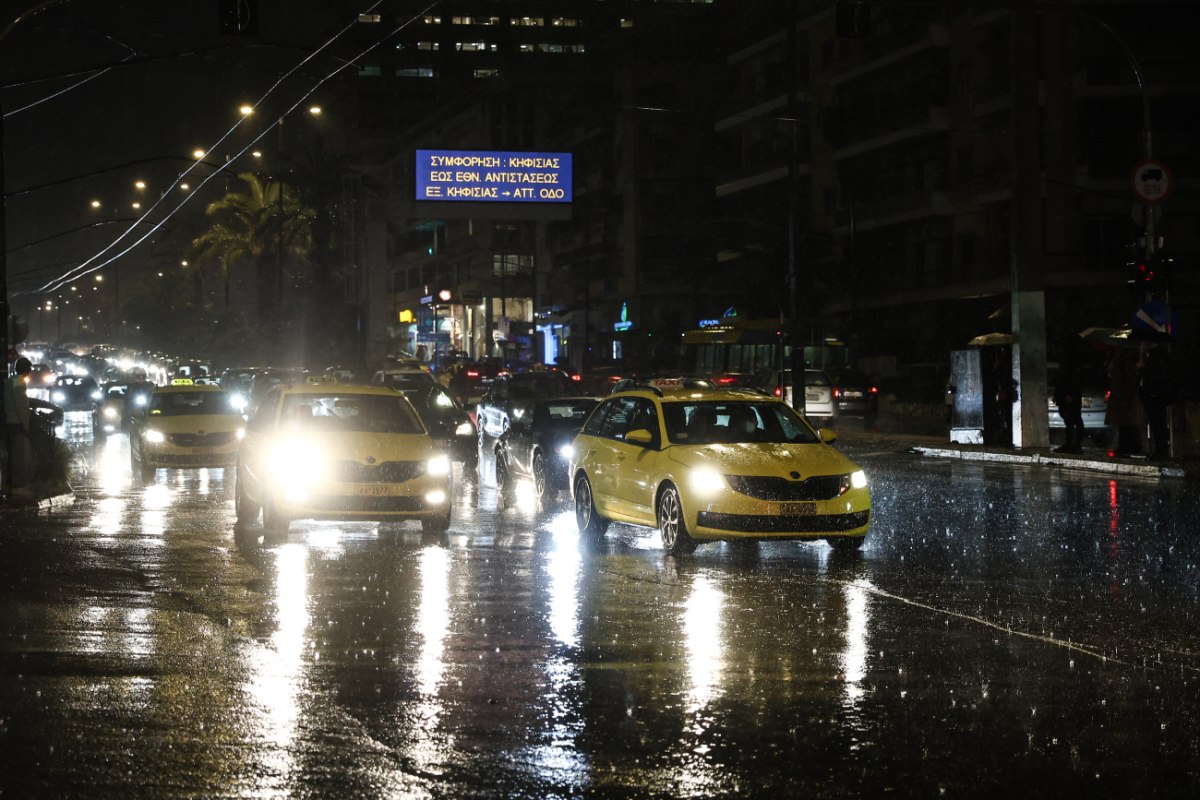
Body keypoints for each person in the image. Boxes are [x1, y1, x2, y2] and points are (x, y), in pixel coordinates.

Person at [1137, 342, 1175, 461]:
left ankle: (1161, 451)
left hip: (1156, 395)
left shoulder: (1158, 357)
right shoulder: (1152, 356)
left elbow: (1157, 375)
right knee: (1156, 424)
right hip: (1153, 395)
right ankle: (1160, 450)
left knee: (1158, 424)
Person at [5, 357, 34, 496]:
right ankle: (17, 485)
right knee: (19, 456)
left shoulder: (11, 380)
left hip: (10, 421)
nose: (29, 373)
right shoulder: (19, 382)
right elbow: (21, 405)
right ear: (25, 369)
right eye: (29, 370)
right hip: (16, 422)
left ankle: (11, 483)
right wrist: (26, 424)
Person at [1105, 348, 1142, 456]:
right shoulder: (1120, 360)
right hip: (1120, 395)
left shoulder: (1125, 361)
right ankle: (1127, 446)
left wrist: (1124, 397)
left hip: (1123, 395)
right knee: (1124, 423)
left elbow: (1128, 380)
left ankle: (1128, 446)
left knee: (1125, 423)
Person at [1053, 337, 1086, 454]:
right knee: (1071, 419)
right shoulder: (1069, 362)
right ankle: (1072, 444)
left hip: (1070, 394)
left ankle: (1073, 444)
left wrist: (1070, 393)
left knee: (1072, 419)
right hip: (1067, 394)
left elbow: (1071, 379)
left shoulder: (1071, 363)